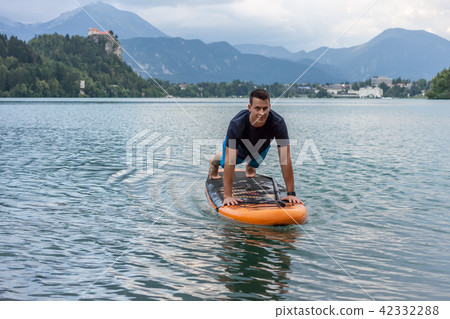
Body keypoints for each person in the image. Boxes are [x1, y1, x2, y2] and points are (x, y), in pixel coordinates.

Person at [208, 89, 302, 206]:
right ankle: (213, 162)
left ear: (270, 107)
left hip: (261, 146)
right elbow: (230, 161)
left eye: (265, 108)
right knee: (226, 161)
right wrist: (228, 196)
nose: (261, 113)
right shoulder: (237, 123)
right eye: (257, 108)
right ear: (249, 107)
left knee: (255, 162)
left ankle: (250, 165)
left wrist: (291, 193)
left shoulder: (278, 123)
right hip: (240, 147)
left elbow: (285, 159)